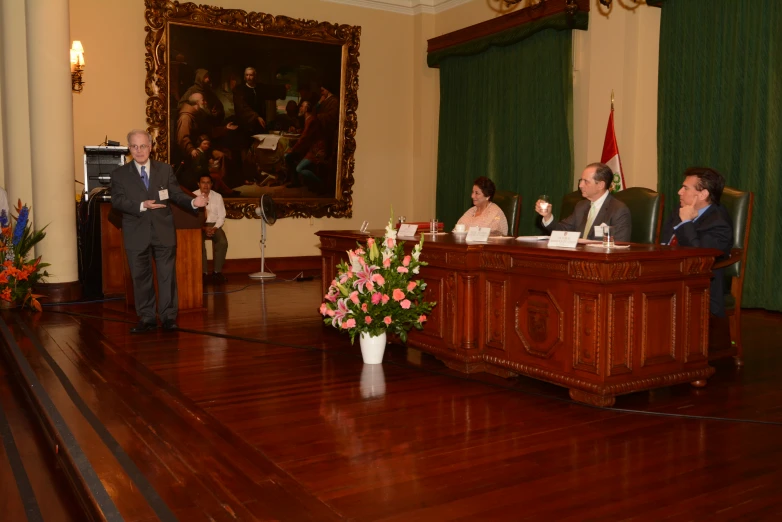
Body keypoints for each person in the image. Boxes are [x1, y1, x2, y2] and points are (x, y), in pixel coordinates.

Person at [111, 129, 207, 333]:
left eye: (143, 145)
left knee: (166, 277)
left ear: (151, 147)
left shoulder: (165, 170)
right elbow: (117, 201)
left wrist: (193, 201)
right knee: (140, 277)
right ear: (129, 149)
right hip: (136, 233)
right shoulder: (119, 174)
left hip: (163, 232)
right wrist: (141, 205)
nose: (139, 150)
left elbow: (176, 194)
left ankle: (168, 317)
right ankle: (146, 318)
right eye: (134, 146)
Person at [661, 167, 733, 317]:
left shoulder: (719, 222)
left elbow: (698, 256)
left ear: (703, 194)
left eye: (685, 188)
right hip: (668, 274)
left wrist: (686, 222)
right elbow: (663, 243)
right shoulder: (679, 209)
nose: (679, 192)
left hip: (699, 287)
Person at [535, 162, 631, 242]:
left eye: (586, 181)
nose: (580, 185)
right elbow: (561, 231)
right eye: (581, 180)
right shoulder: (581, 206)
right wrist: (547, 216)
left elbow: (619, 245)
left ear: (600, 185)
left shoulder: (618, 210)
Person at [284, 100, 327, 192]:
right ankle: (295, 182)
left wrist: (292, 149)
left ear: (307, 108)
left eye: (302, 106)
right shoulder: (308, 119)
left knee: (299, 168)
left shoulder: (311, 120)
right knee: (288, 157)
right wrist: (297, 130)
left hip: (316, 150)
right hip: (309, 149)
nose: (300, 108)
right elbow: (306, 133)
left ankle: (321, 185)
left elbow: (304, 138)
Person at [197, 174, 229, 284]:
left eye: (208, 183)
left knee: (222, 242)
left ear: (211, 184)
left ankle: (217, 273)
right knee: (198, 244)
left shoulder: (218, 196)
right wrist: (204, 228)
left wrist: (215, 228)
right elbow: (191, 217)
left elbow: (221, 216)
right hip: (199, 226)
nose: (205, 185)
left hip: (215, 225)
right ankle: (203, 273)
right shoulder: (192, 195)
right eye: (203, 182)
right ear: (199, 184)